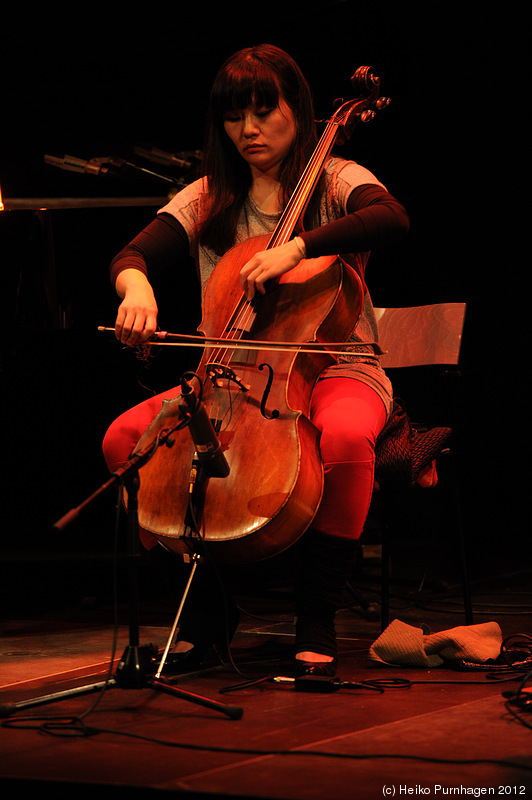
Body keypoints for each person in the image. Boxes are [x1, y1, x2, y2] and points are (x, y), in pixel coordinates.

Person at [102, 44, 409, 678]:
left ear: (297, 111)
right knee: (123, 441)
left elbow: (392, 218)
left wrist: (300, 245)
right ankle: (211, 618)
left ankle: (315, 620)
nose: (248, 130)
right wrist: (136, 286)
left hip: (340, 365)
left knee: (348, 435)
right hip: (230, 378)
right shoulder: (209, 196)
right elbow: (131, 255)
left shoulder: (336, 177)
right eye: (234, 117)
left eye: (264, 113)